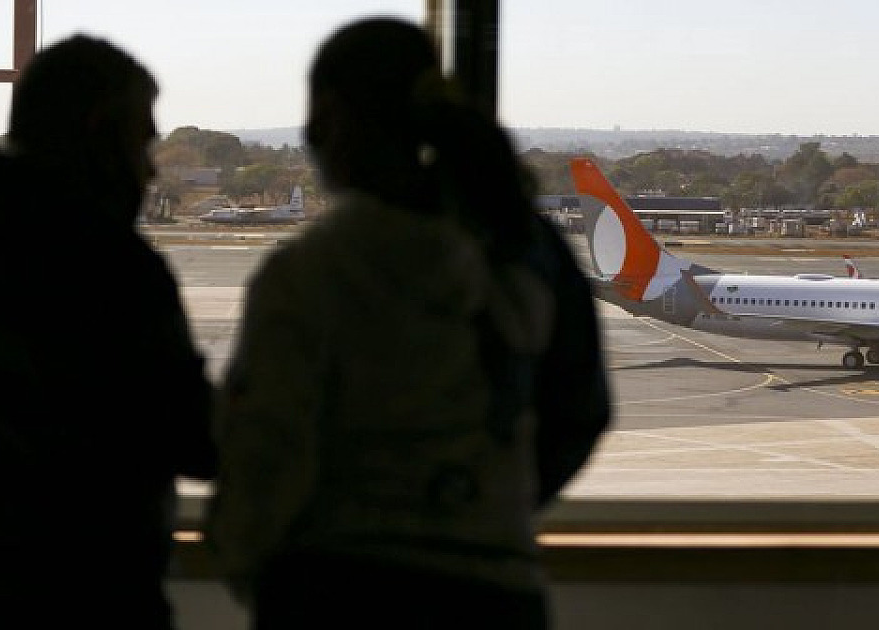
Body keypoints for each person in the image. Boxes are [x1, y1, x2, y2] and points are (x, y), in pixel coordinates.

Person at [205, 17, 611, 630]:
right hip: (497, 594)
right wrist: (481, 512)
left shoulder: (311, 271)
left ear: (332, 121)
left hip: (339, 592)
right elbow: (582, 411)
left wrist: (256, 569)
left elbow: (265, 457)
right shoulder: (530, 253)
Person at [0, 35, 215, 628]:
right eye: (142, 140)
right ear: (99, 132)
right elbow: (196, 441)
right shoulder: (114, 268)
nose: (150, 166)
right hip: (89, 597)